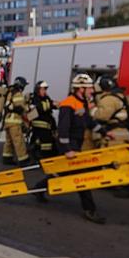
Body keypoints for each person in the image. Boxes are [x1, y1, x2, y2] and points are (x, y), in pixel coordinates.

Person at [56, 73, 106, 224]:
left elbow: (88, 121)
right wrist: (67, 150)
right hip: (69, 145)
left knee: (60, 173)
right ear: (80, 89)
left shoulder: (81, 103)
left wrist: (105, 132)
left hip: (76, 144)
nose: (92, 91)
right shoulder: (68, 104)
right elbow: (63, 130)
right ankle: (90, 209)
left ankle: (39, 189)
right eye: (90, 88)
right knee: (81, 177)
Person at [91, 75, 129, 198]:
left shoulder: (108, 99)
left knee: (115, 161)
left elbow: (102, 116)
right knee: (119, 160)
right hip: (123, 134)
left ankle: (123, 187)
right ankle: (112, 182)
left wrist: (92, 110)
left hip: (114, 135)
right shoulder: (121, 96)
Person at [0, 76, 31, 166]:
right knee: (19, 140)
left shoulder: (10, 92)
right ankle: (23, 160)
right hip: (14, 121)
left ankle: (7, 158)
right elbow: (21, 108)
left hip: (7, 120)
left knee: (9, 141)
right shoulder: (18, 94)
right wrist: (28, 108)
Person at [30, 80, 57, 159]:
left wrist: (58, 104)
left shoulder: (46, 97)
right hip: (39, 124)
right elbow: (41, 108)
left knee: (44, 141)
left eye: (45, 89)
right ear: (38, 90)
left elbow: (51, 104)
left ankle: (40, 154)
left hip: (47, 124)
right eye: (43, 89)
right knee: (46, 142)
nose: (44, 91)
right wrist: (52, 104)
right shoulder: (35, 98)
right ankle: (45, 157)